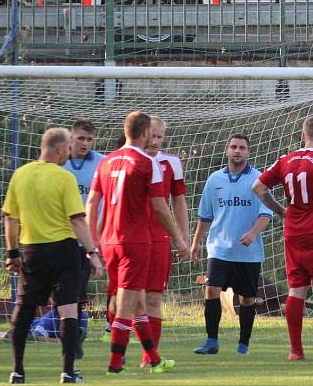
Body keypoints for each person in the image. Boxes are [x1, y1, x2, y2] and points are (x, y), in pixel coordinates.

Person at [1, 127, 104, 384]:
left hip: (32, 252)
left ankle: (17, 371)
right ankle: (68, 372)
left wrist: (12, 253)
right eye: (68, 148)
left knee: (23, 309)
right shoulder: (63, 177)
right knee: (68, 310)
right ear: (59, 149)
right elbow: (77, 220)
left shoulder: (20, 175)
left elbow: (10, 219)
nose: (69, 153)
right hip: (64, 252)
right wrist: (92, 252)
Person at [86, 111, 186, 375]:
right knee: (127, 305)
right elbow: (160, 206)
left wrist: (93, 242)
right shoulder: (146, 162)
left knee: (138, 302)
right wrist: (178, 237)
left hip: (109, 240)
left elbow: (92, 202)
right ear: (143, 133)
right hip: (136, 242)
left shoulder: (106, 161)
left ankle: (153, 359)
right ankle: (115, 364)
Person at [252, 115, 313, 362]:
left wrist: (280, 210)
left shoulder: (286, 159)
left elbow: (258, 187)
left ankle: (296, 351)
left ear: (302, 134)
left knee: (296, 290)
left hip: (293, 229)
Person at [190, 133, 273, 356]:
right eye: (234, 147)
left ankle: (243, 344)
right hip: (219, 248)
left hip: (248, 253)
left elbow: (266, 213)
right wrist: (196, 242)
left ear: (248, 152)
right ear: (227, 150)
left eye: (242, 148)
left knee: (247, 298)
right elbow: (205, 216)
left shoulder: (258, 180)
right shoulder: (214, 180)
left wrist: (253, 233)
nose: (238, 151)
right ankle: (211, 341)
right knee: (211, 290)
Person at [140, 115, 190, 367]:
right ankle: (115, 353)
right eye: (152, 136)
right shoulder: (128, 161)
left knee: (153, 298)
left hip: (159, 240)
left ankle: (150, 357)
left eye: (160, 137)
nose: (156, 141)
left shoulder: (171, 163)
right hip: (131, 239)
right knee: (125, 300)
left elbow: (179, 201)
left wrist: (183, 236)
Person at [62, 118, 105, 358]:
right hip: (58, 238)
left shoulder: (102, 162)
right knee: (60, 293)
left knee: (77, 292)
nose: (85, 143)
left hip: (87, 241)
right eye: (81, 138)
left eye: (89, 139)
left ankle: (75, 335)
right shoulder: (58, 163)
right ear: (70, 138)